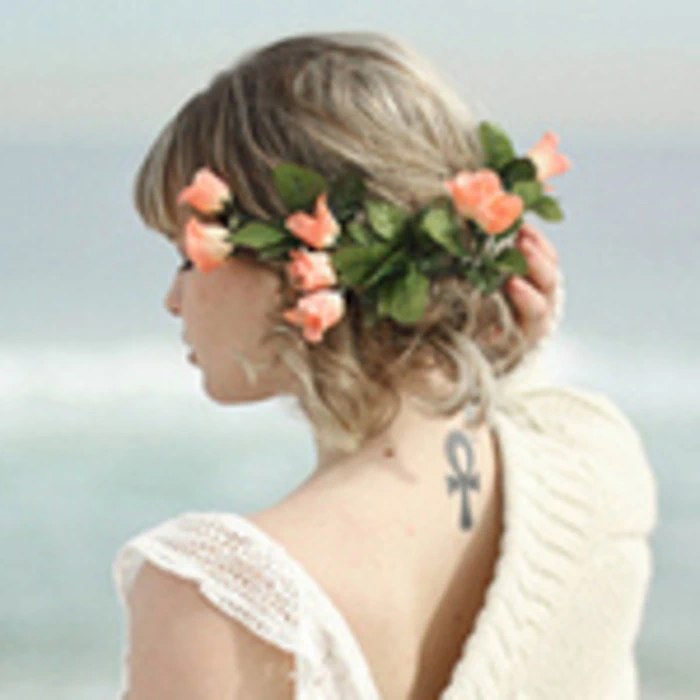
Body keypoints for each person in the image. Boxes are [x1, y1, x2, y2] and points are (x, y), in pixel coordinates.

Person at [112, 31, 658, 699]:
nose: (173, 300)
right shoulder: (597, 467)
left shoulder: (220, 602)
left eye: (188, 257)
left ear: (298, 265)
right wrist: (500, 347)